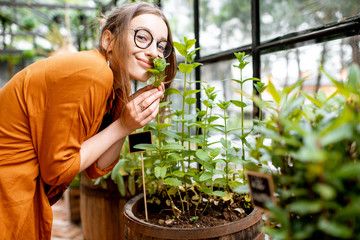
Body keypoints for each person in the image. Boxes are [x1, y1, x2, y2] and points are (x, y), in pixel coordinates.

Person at [0, 2, 177, 239]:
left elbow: (96, 167)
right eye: (142, 37)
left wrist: (128, 122)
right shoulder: (94, 72)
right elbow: (59, 170)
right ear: (108, 41)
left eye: (161, 46)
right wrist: (123, 125)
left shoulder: (115, 85)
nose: (154, 52)